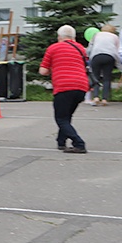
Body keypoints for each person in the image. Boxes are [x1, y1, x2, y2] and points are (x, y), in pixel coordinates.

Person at [39, 25, 90, 153]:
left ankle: (79, 143)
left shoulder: (53, 48)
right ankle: (61, 142)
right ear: (73, 37)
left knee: (61, 118)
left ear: (59, 37)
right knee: (66, 116)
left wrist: (53, 68)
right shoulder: (81, 48)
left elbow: (43, 71)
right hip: (81, 86)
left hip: (64, 86)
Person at [86, 24, 119, 106]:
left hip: (96, 56)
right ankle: (104, 99)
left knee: (95, 77)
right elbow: (118, 50)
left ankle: (96, 97)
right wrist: (119, 63)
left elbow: (89, 48)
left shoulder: (96, 35)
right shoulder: (115, 37)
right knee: (106, 78)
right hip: (109, 56)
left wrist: (89, 58)